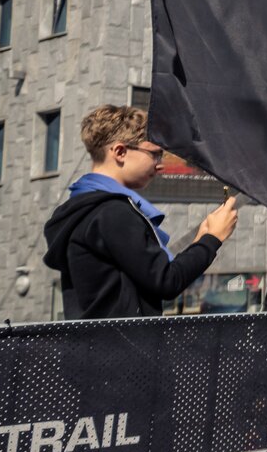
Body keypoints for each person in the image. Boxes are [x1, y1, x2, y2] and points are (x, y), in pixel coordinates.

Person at [43, 105, 238, 319]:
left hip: (97, 338)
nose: (160, 165)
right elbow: (167, 281)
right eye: (155, 154)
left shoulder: (85, 208)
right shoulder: (112, 212)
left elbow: (151, 276)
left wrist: (201, 240)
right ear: (120, 152)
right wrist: (212, 239)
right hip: (123, 338)